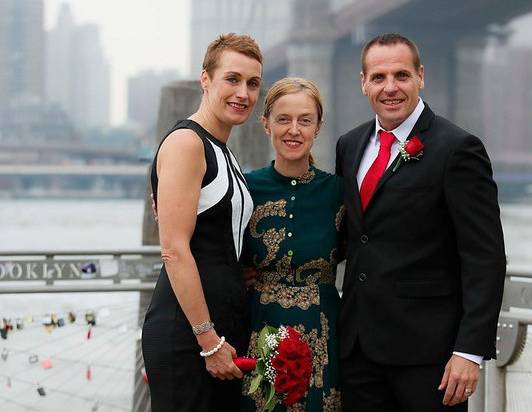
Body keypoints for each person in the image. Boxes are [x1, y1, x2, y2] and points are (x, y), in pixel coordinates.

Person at [335, 33, 506, 411]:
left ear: (421, 76)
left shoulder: (458, 148)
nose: (390, 88)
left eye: (402, 75)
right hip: (358, 351)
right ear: (363, 82)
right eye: (378, 77)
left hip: (430, 358)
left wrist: (469, 351)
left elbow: (485, 257)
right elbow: (353, 236)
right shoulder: (349, 145)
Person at [141, 33, 263, 412]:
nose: (243, 92)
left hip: (219, 330)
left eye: (253, 83)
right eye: (232, 79)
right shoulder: (186, 143)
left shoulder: (223, 151)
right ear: (205, 79)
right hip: (188, 334)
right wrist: (208, 341)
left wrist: (238, 269)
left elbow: (216, 240)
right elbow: (175, 250)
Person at [240, 77, 343, 411]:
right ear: (266, 124)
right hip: (259, 326)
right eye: (283, 119)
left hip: (324, 331)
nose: (294, 130)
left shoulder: (339, 192)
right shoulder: (245, 189)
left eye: (305, 120)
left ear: (318, 127)